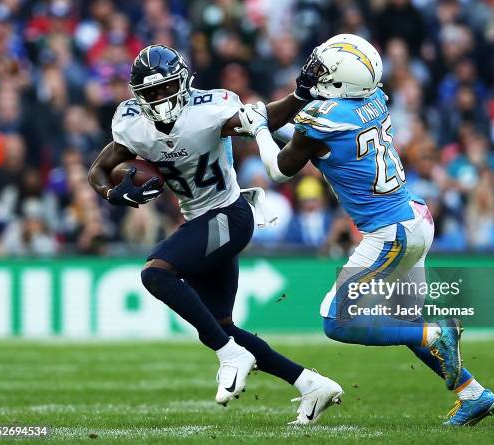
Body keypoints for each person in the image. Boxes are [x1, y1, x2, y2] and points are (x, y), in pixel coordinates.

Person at [241, 33, 494, 426]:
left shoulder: (322, 119)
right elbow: (314, 140)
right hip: (414, 218)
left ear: (342, 80)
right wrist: (278, 116)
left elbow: (280, 168)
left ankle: (437, 333)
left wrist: (260, 128)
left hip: (388, 231)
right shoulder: (373, 99)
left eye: (324, 68)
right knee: (404, 323)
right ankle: (473, 394)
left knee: (337, 319)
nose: (316, 71)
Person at [88, 44, 342, 424]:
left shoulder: (210, 109)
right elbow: (99, 167)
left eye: (165, 88)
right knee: (220, 328)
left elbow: (263, 121)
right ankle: (312, 384)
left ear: (184, 82)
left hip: (230, 214)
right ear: (137, 95)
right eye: (150, 92)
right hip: (201, 222)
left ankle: (232, 355)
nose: (158, 98)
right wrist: (111, 193)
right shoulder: (131, 123)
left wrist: (300, 95)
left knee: (155, 273)